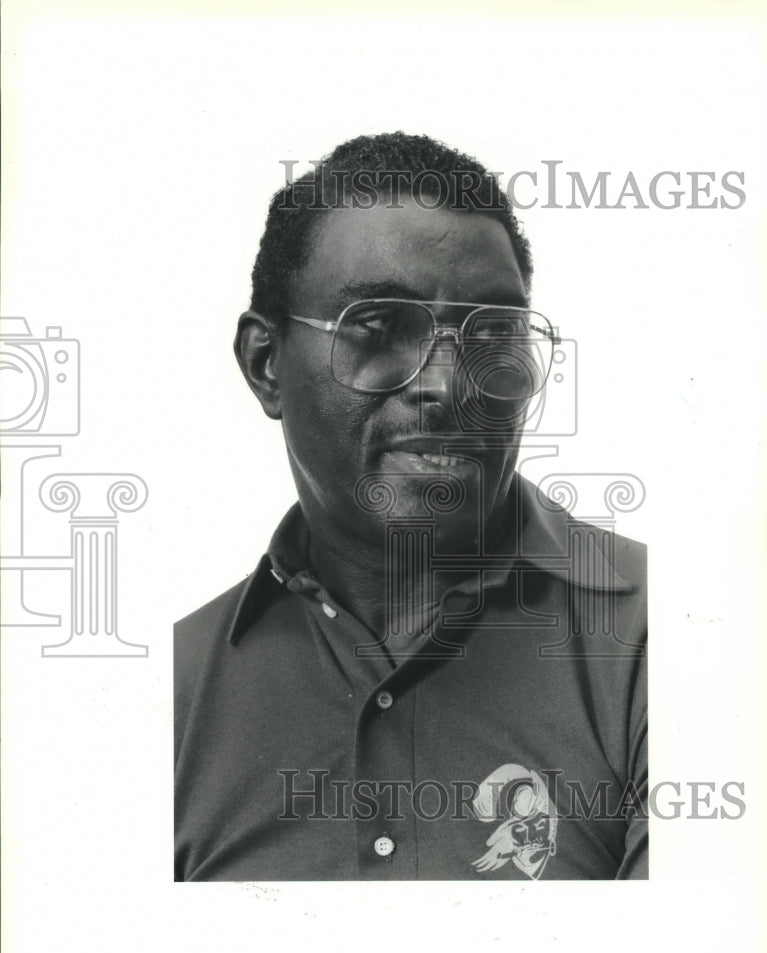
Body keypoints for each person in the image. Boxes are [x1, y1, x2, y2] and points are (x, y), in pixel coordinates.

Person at [174, 132, 647, 881]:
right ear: (267, 365)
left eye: (494, 333)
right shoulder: (162, 693)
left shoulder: (668, 640)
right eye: (381, 327)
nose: (452, 383)